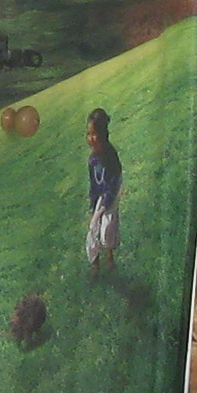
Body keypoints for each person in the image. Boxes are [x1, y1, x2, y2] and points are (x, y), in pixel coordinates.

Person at [84, 108, 122, 281]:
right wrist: (93, 209)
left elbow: (113, 184)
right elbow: (94, 187)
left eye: (95, 134)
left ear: (103, 135)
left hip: (111, 194)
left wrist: (104, 206)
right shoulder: (92, 160)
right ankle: (95, 264)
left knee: (107, 228)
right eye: (88, 134)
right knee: (93, 228)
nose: (91, 138)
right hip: (100, 195)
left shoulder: (110, 156)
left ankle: (110, 256)